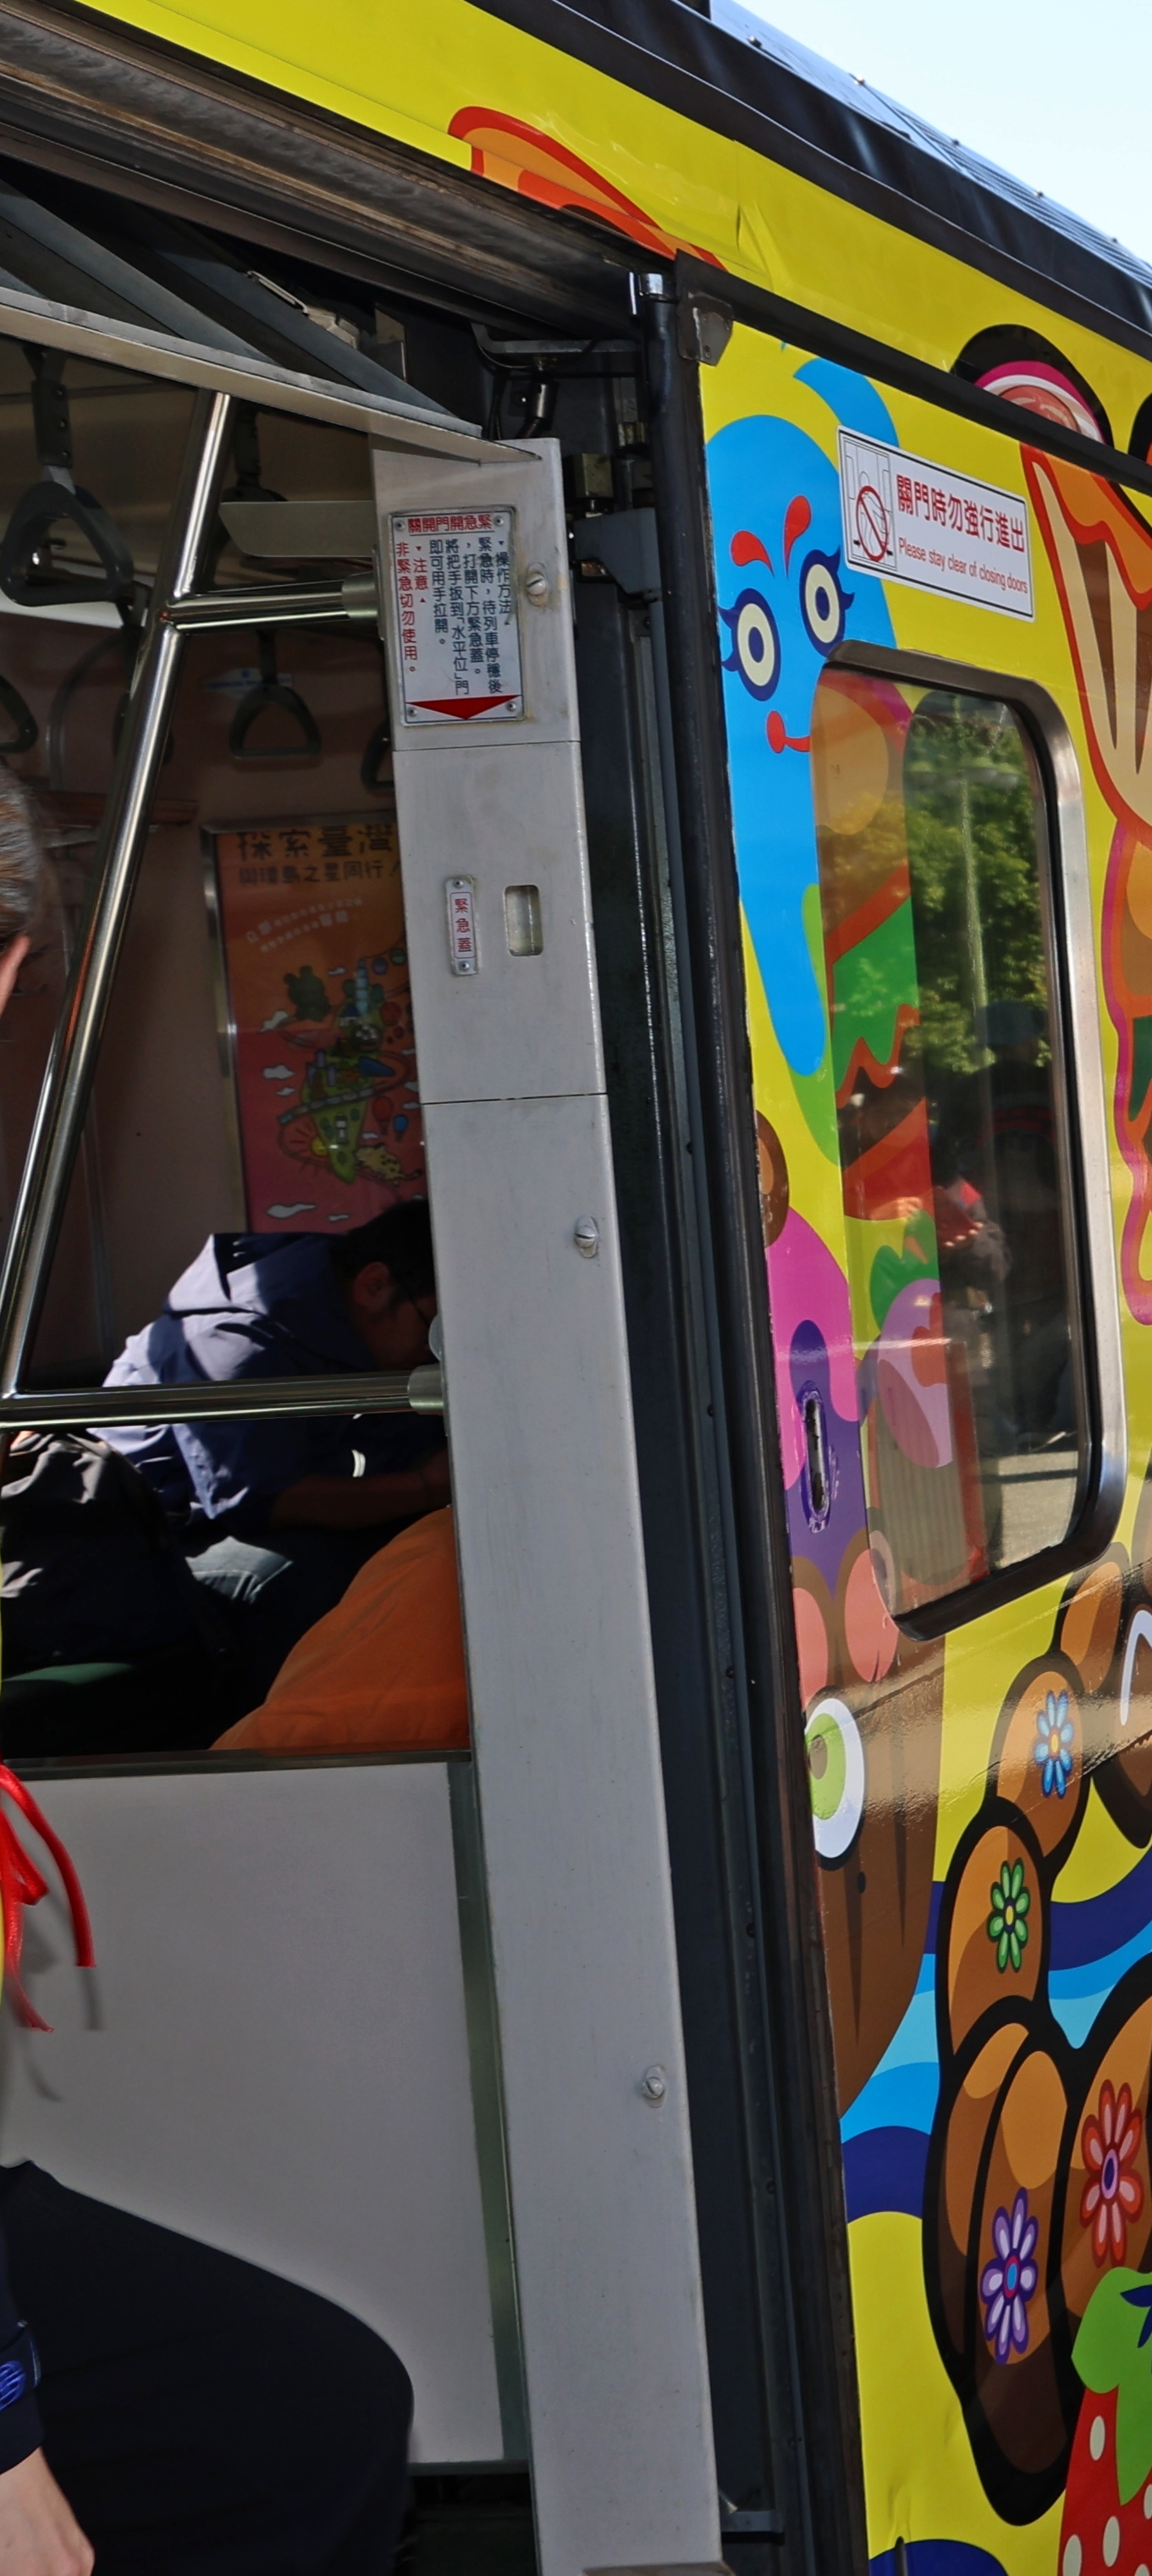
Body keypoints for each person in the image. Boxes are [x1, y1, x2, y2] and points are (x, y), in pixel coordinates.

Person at [0, 766, 417, 2569]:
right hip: (129, 1565)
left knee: (309, 2410)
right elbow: (275, 1494)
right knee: (262, 1583)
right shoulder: (253, 1318)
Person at [96, 1200, 449, 1679]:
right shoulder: (236, 1339)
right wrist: (424, 1487)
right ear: (373, 1285)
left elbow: (402, 1439)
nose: (437, 1353)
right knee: (311, 1570)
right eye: (434, 1331)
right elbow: (262, 1497)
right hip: (148, 1546)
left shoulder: (347, 1323)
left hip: (226, 1519)